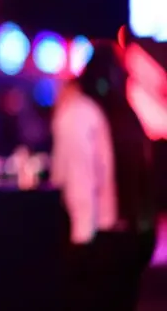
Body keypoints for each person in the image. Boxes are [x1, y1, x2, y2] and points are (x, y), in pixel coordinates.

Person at [51, 40, 156, 311]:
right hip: (134, 237)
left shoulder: (81, 111)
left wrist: (80, 246)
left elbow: (80, 182)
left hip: (101, 242)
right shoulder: (125, 113)